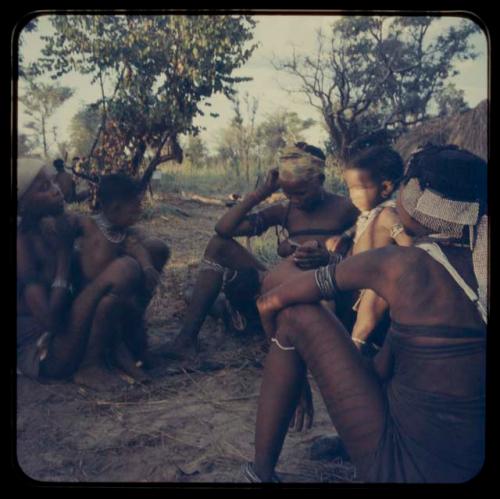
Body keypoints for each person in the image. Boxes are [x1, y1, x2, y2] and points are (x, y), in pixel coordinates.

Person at [247, 144, 487, 483]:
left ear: (419, 201)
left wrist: (297, 373)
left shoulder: (401, 265)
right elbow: (393, 363)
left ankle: (260, 473)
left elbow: (269, 302)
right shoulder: (477, 264)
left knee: (296, 314)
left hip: (402, 466)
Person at [163, 142, 359, 360]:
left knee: (223, 302)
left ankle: (228, 312)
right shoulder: (286, 210)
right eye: (288, 193)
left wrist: (331, 258)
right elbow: (224, 229)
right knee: (218, 245)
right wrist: (262, 192)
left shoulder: (346, 209)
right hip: (283, 284)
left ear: (320, 181)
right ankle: (186, 339)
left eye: (301, 192)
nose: (294, 199)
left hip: (327, 288)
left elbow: (366, 259)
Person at [16, 158, 146, 389]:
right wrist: (65, 256)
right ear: (23, 206)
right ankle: (88, 366)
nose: (56, 190)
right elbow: (50, 321)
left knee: (114, 288)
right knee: (123, 270)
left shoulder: (51, 227)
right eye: (44, 189)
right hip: (46, 353)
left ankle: (113, 354)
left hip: (67, 333)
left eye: (52, 183)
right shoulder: (22, 246)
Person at [63, 172, 170, 386]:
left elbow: (139, 248)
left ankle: (132, 352)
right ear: (115, 208)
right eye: (135, 207)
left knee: (154, 253)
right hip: (88, 304)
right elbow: (64, 224)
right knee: (110, 303)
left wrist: (149, 269)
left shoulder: (123, 233)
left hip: (115, 300)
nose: (140, 210)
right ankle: (90, 365)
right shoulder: (87, 226)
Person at [333, 146, 413, 355]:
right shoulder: (367, 213)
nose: (352, 196)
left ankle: (357, 342)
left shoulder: (388, 214)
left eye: (358, 189)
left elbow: (407, 244)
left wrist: (403, 261)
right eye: (349, 189)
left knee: (371, 298)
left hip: (376, 286)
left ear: (385, 188)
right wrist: (343, 237)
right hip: (356, 283)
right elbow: (358, 228)